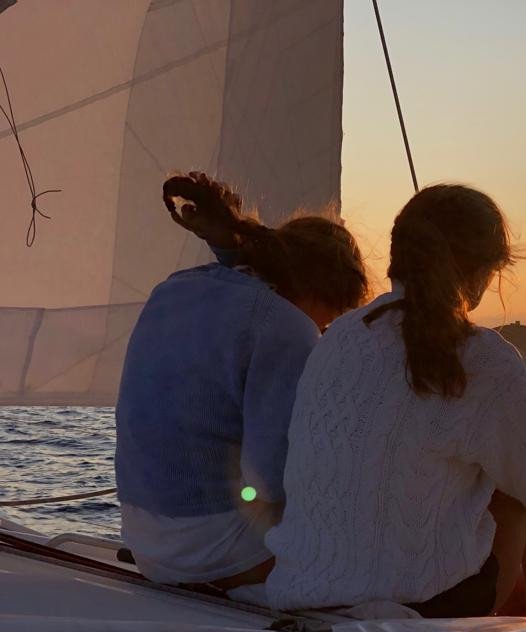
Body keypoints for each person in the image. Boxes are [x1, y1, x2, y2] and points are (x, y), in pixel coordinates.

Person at [262, 183, 526, 617]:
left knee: (512, 454)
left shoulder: (341, 336)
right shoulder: (481, 355)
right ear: (485, 271)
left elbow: (417, 413)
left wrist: (519, 401)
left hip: (301, 596)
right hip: (425, 614)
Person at [115, 172, 368, 590]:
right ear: (330, 289)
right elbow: (268, 480)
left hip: (144, 541)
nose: (325, 329)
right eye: (333, 317)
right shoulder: (287, 326)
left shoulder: (173, 288)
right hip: (214, 555)